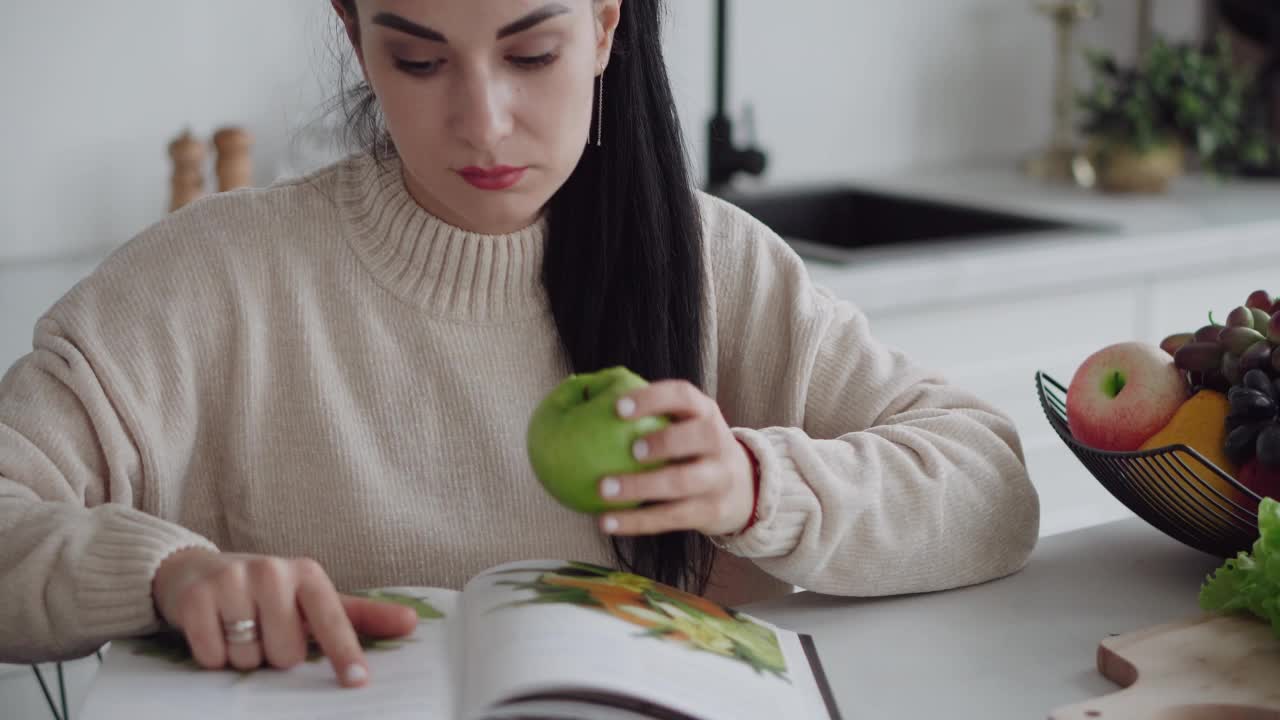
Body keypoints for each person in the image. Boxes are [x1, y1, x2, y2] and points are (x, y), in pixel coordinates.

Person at [0, 0, 1039, 689]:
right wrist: (166, 574)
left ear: (600, 26)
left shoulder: (714, 263)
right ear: (353, 33)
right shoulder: (214, 279)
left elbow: (988, 486)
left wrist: (754, 487)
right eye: (418, 58)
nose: (483, 122)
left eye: (530, 52)